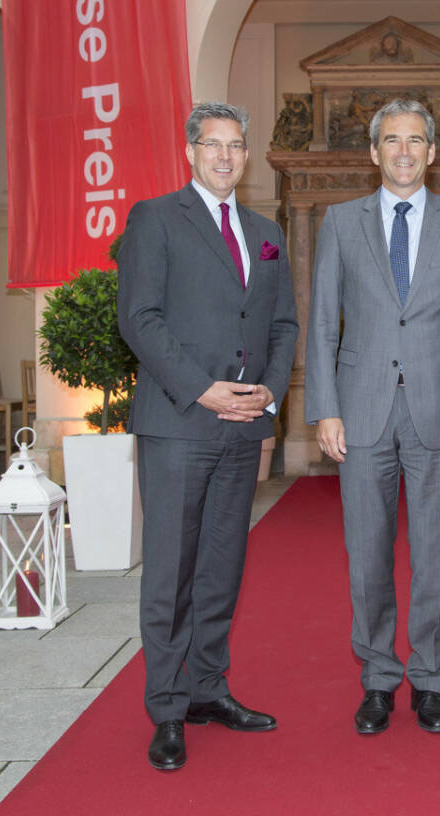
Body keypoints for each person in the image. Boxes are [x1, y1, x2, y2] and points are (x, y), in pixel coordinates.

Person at [305, 97, 440, 736]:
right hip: (360, 412)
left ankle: (431, 678)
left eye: (416, 140)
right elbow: (322, 321)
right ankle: (379, 677)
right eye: (392, 140)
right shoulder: (339, 222)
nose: (405, 151)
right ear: (373, 152)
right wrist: (325, 408)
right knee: (367, 554)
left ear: (433, 151)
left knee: (435, 554)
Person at [117, 102, 298, 771]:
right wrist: (202, 388)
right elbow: (141, 317)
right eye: (212, 145)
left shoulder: (264, 230)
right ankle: (166, 709)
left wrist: (268, 390)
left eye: (235, 147)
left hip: (244, 424)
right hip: (180, 421)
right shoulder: (156, 219)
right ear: (190, 151)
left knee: (222, 567)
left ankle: (208, 690)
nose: (225, 156)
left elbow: (282, 324)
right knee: (171, 572)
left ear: (246, 156)